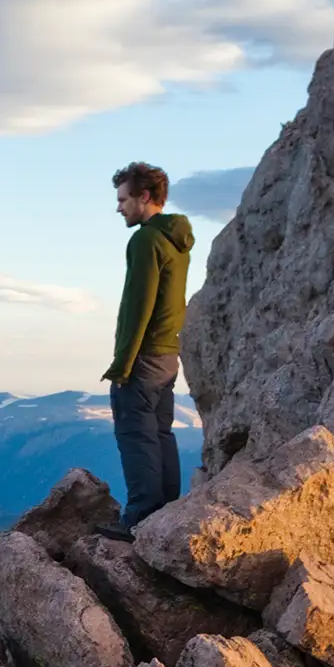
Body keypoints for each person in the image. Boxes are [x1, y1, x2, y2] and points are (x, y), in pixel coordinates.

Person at [103, 161, 194, 536]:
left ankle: (139, 518)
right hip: (168, 354)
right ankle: (165, 515)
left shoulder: (144, 240)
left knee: (135, 433)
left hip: (143, 355)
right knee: (160, 432)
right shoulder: (177, 241)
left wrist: (122, 364)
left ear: (144, 197)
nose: (119, 207)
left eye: (124, 199)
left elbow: (139, 304)